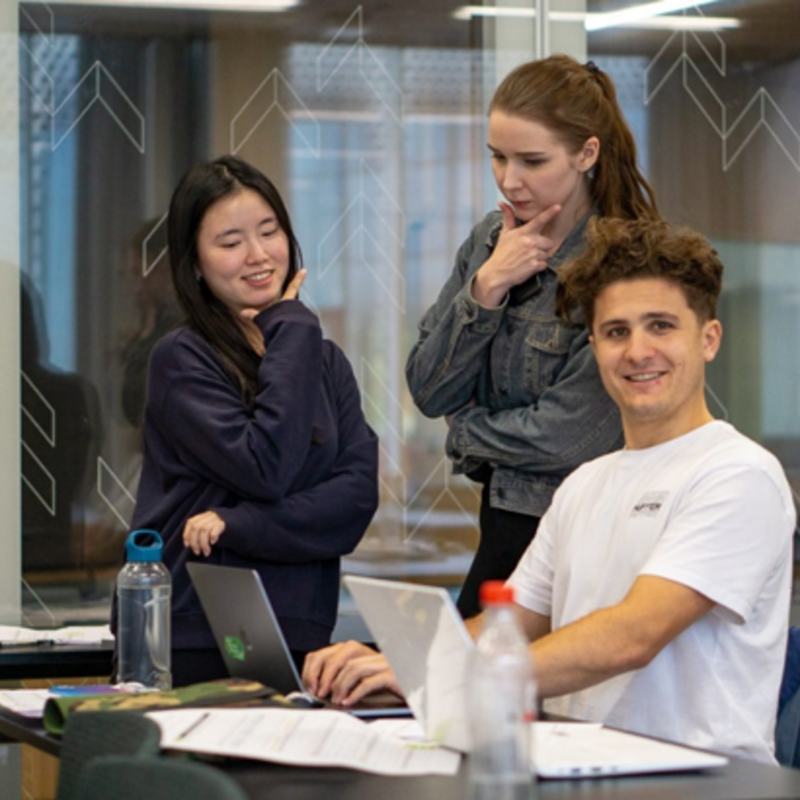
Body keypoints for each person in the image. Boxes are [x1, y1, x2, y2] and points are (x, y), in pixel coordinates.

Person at [304, 218, 795, 763]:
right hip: (580, 765)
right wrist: (396, 659)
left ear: (708, 340)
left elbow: (634, 634)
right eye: (616, 331)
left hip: (705, 782)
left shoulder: (738, 474)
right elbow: (509, 624)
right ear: (594, 346)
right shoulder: (585, 483)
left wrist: (439, 672)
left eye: (661, 326)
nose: (637, 352)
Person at [405, 54, 660, 617]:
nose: (508, 179)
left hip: (587, 532)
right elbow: (428, 389)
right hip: (503, 519)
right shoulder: (490, 241)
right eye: (497, 156)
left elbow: (568, 437)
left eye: (532, 160)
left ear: (586, 153)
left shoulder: (626, 262)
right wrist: (488, 286)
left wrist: (465, 432)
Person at [118, 155, 379, 686]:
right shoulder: (182, 359)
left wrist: (240, 524)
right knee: (196, 773)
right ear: (194, 262)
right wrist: (291, 327)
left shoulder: (322, 361)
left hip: (301, 626)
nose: (258, 255)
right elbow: (265, 465)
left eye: (269, 231)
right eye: (230, 242)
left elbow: (353, 500)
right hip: (199, 628)